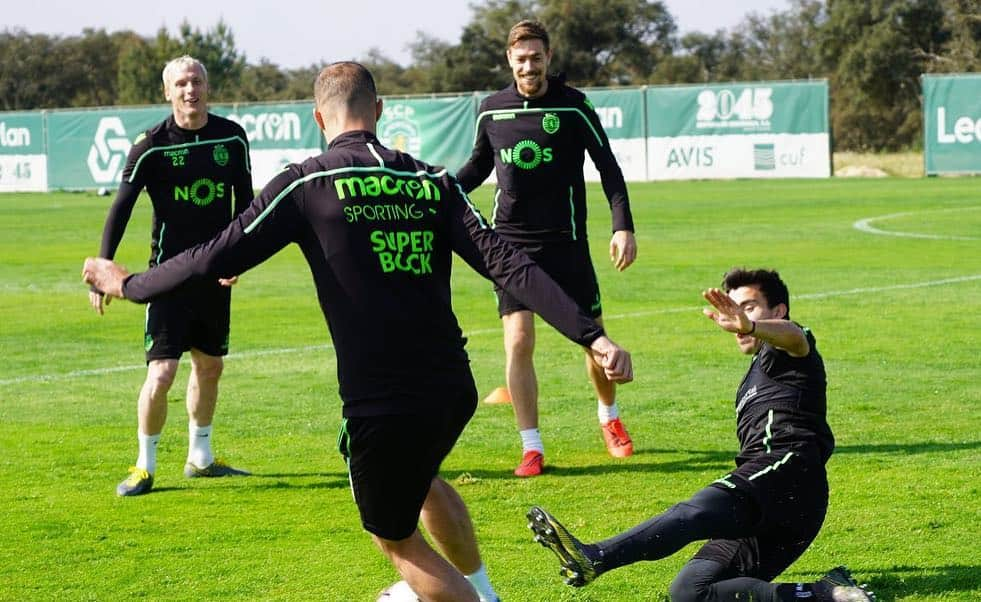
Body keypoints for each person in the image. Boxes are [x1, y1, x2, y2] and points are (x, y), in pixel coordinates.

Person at [83, 62, 634, 602]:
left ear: (318, 120)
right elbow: (510, 265)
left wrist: (130, 284)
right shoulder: (430, 179)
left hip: (382, 399)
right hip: (451, 388)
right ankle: (482, 591)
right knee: (421, 483)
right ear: (379, 110)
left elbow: (213, 254)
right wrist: (594, 337)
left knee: (393, 537)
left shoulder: (309, 181)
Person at [526, 269, 876, 601]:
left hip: (788, 471)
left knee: (693, 512)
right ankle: (825, 592)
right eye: (732, 306)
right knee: (691, 592)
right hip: (781, 508)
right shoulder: (750, 380)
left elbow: (794, 336)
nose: (736, 316)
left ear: (778, 309)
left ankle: (597, 557)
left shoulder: (788, 350)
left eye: (748, 305)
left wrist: (753, 326)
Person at [455, 20, 638, 477]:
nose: (529, 66)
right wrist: (440, 192)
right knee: (518, 341)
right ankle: (531, 447)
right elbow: (478, 167)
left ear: (548, 58)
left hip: (566, 244)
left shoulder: (574, 106)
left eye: (536, 58)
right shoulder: (490, 110)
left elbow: (609, 169)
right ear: (509, 61)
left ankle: (609, 418)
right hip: (511, 246)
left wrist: (623, 227)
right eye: (521, 59)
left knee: (591, 337)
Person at [89, 55, 254, 497]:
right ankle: (144, 466)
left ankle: (200, 456)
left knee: (211, 365)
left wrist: (240, 258)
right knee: (161, 372)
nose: (190, 90)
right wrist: (104, 267)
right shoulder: (151, 145)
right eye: (181, 83)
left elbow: (246, 204)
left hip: (215, 274)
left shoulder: (232, 138)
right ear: (167, 92)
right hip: (167, 278)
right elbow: (120, 208)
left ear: (207, 86)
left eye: (196, 81)